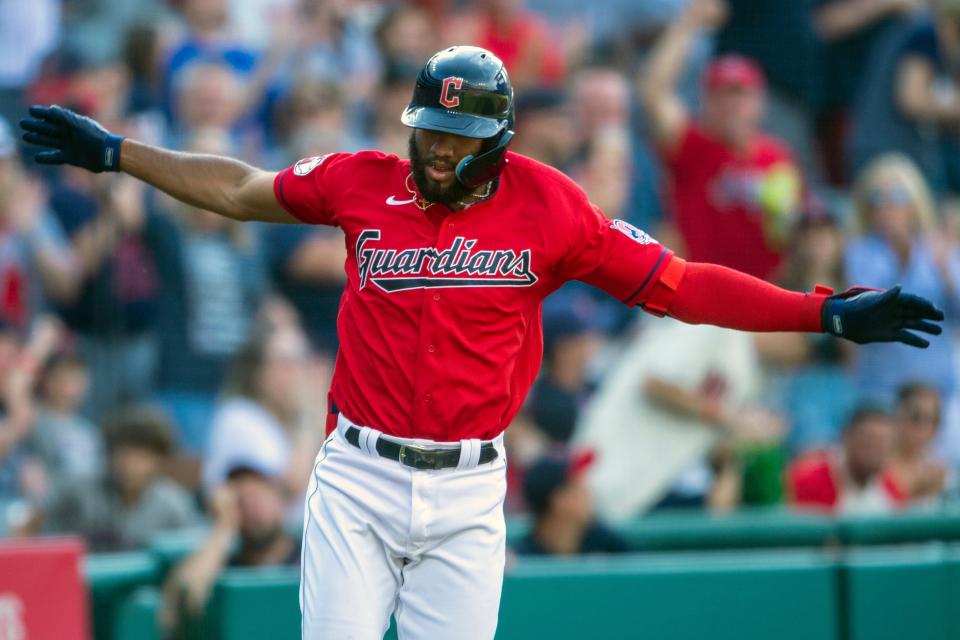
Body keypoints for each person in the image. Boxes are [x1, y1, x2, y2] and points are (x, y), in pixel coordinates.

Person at [19, 45, 944, 639]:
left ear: (498, 141)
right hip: (357, 475)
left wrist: (820, 310)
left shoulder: (553, 208)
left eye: (460, 138)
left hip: (470, 488)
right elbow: (240, 187)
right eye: (431, 131)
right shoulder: (361, 181)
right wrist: (117, 153)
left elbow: (679, 287)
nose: (438, 152)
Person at [640, 0, 804, 281]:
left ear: (759, 103)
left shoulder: (777, 156)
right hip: (700, 296)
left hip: (762, 296)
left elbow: (791, 235)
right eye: (721, 97)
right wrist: (688, 23)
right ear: (707, 103)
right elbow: (653, 90)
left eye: (740, 96)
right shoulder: (692, 145)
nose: (731, 107)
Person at [845, 153, 959, 403]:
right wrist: (902, 263)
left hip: (938, 388)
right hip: (882, 389)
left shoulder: (938, 246)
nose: (888, 206)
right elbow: (867, 307)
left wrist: (948, 273)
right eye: (877, 197)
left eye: (897, 196)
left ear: (915, 202)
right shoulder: (858, 252)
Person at [37, 404, 199, 550]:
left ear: (159, 459)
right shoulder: (77, 491)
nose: (128, 463)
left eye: (140, 455)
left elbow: (189, 557)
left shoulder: (174, 504)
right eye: (122, 452)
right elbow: (38, 538)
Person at [163, 463, 299, 630]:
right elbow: (184, 596)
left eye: (258, 495)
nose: (252, 508)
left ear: (280, 499)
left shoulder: (310, 555)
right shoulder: (224, 565)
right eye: (242, 501)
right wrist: (223, 526)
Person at [788, 405, 905, 514]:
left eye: (884, 443)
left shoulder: (890, 489)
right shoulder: (808, 482)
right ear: (847, 436)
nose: (876, 451)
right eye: (869, 440)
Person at [514, 450, 629, 556]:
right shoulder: (522, 557)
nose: (587, 492)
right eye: (576, 486)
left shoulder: (605, 540)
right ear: (557, 500)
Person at [887, 382, 948, 504]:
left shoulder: (938, 470)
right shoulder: (876, 465)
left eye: (931, 420)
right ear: (896, 417)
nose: (923, 427)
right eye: (916, 418)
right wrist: (912, 495)